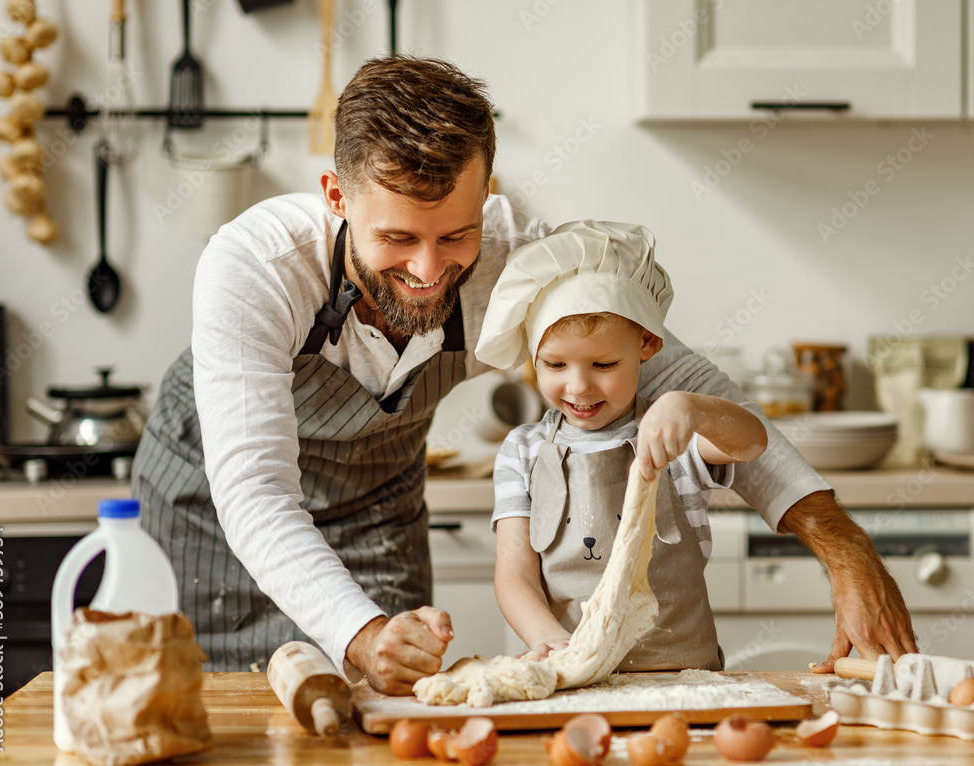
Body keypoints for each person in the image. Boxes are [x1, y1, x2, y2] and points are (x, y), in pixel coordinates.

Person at [131, 54, 916, 697]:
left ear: (489, 197)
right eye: (398, 238)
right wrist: (356, 629)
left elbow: (689, 379)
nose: (429, 271)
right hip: (216, 517)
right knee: (222, 717)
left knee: (384, 719)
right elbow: (257, 493)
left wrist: (844, 549)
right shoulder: (254, 267)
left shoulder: (519, 261)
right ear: (336, 197)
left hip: (375, 510)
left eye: (456, 236)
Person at [476, 220, 769, 670]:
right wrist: (549, 639)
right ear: (532, 356)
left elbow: (752, 442)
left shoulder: (673, 432)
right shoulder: (524, 451)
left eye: (604, 363)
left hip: (684, 678)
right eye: (554, 364)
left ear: (647, 343)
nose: (579, 386)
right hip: (578, 675)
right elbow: (515, 573)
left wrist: (692, 408)